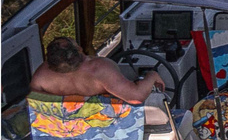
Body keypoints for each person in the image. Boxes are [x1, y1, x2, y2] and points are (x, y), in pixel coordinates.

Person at [30, 36, 165, 104]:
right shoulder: (100, 68)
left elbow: (35, 102)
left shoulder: (41, 74)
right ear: (79, 50)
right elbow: (136, 98)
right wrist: (152, 75)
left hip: (69, 133)